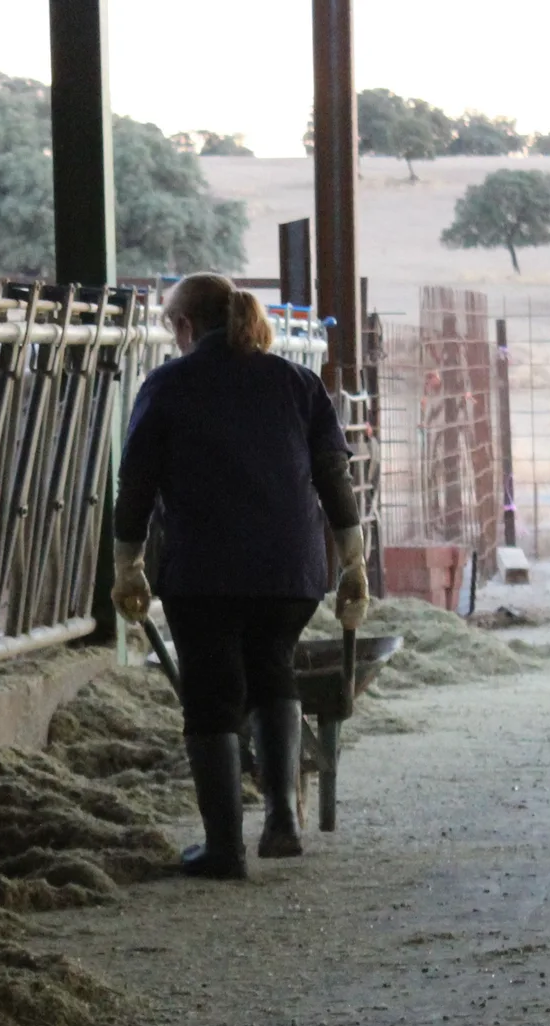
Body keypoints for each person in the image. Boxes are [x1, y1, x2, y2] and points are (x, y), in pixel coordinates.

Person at [112, 273, 370, 880]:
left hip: (204, 569)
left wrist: (129, 564)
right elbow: (334, 475)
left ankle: (223, 846)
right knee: (272, 668)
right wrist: (352, 559)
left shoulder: (169, 385)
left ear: (183, 325)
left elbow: (137, 484)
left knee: (211, 696)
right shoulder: (296, 381)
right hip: (291, 568)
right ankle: (283, 816)